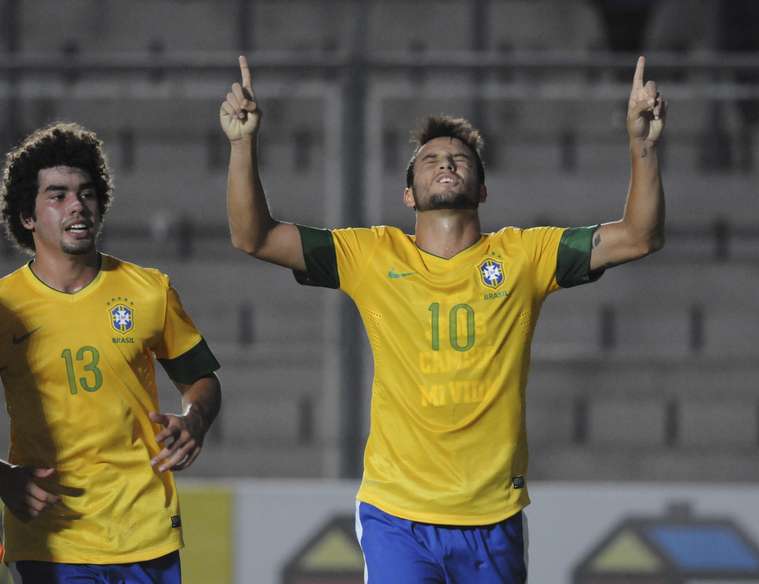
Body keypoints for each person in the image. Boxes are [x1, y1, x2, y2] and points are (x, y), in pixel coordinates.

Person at [221, 55, 666, 584]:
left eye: (460, 158)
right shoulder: (372, 255)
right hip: (397, 514)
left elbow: (639, 236)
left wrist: (642, 145)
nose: (446, 162)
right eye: (430, 159)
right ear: (409, 193)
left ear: (482, 190)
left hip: (492, 516)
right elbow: (254, 236)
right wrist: (242, 143)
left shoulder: (525, 256)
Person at [0, 123, 221, 583]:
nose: (77, 205)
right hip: (51, 537)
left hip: (146, 531)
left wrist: (194, 419)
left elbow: (201, 381)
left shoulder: (149, 290)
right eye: (57, 196)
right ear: (27, 216)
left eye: (86, 193)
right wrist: (2, 477)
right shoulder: (5, 308)